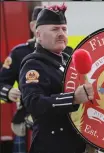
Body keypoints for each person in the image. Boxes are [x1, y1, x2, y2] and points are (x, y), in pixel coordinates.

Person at [19, 4, 95, 153]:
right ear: (38, 35)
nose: (61, 33)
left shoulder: (68, 59)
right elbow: (34, 103)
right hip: (52, 145)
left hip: (77, 144)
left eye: (64, 29)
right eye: (54, 29)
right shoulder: (33, 64)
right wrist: (72, 98)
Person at [0, 6, 44, 153]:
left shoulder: (65, 53)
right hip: (27, 120)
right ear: (33, 26)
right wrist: (8, 91)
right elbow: (1, 83)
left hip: (59, 119)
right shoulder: (19, 53)